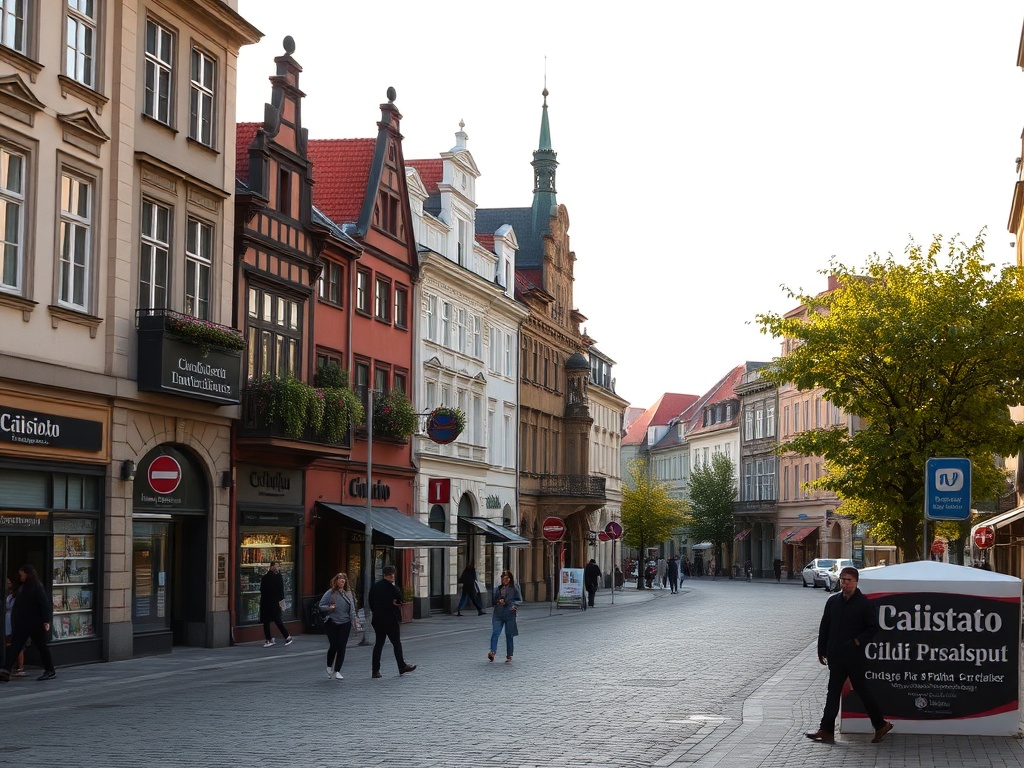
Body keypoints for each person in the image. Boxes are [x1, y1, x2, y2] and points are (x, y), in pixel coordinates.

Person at [805, 566, 893, 745]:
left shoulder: (864, 603)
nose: (845, 583)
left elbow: (872, 628)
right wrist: (821, 650)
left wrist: (858, 641)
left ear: (856, 582)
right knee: (832, 692)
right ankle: (826, 729)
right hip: (836, 655)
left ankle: (881, 724)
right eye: (842, 580)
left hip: (854, 657)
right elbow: (825, 627)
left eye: (848, 580)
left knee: (862, 690)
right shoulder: (833, 601)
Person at [0, 564, 55, 682]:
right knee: (15, 646)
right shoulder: (23, 587)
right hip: (22, 623)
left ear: (28, 574)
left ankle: (50, 670)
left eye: (22, 573)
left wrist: (46, 620)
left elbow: (44, 604)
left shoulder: (37, 587)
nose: (21, 576)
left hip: (35, 623)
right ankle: (6, 671)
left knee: (42, 647)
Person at [368, 565, 416, 678]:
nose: (393, 576)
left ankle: (375, 671)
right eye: (391, 574)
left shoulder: (375, 587)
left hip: (378, 619)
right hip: (390, 619)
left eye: (393, 574)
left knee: (379, 643)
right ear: (388, 575)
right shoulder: (393, 588)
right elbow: (400, 601)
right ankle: (402, 666)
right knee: (396, 643)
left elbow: (371, 603)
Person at [319, 572, 360, 680]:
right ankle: (329, 666)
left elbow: (352, 609)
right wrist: (329, 608)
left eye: (344, 579)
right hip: (332, 622)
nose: (342, 581)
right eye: (340, 579)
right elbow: (321, 605)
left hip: (345, 623)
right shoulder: (330, 593)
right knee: (334, 646)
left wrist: (354, 622)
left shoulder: (348, 594)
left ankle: (337, 670)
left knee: (342, 646)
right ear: (336, 581)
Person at [488, 571, 521, 663]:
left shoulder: (514, 588)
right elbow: (493, 600)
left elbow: (519, 600)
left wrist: (514, 606)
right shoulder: (499, 588)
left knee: (509, 634)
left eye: (506, 578)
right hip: (498, 614)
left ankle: (509, 655)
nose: (504, 580)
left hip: (509, 613)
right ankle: (492, 652)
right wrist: (498, 601)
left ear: (510, 579)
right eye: (502, 578)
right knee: (495, 632)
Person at [259, 562, 292, 648]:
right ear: (271, 566)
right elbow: (280, 591)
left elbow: (262, 590)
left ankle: (274, 638)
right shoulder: (276, 577)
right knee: (274, 620)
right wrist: (281, 601)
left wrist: (281, 601)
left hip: (268, 602)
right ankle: (283, 637)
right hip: (271, 602)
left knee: (272, 621)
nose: (277, 568)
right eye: (276, 566)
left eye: (278, 566)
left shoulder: (267, 577)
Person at [5, 577, 24, 677]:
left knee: (16, 643)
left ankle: (19, 666)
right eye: (6, 583)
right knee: (7, 641)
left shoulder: (15, 595)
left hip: (12, 619)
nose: (8, 584)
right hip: (6, 619)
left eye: (9, 582)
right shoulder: (6, 595)